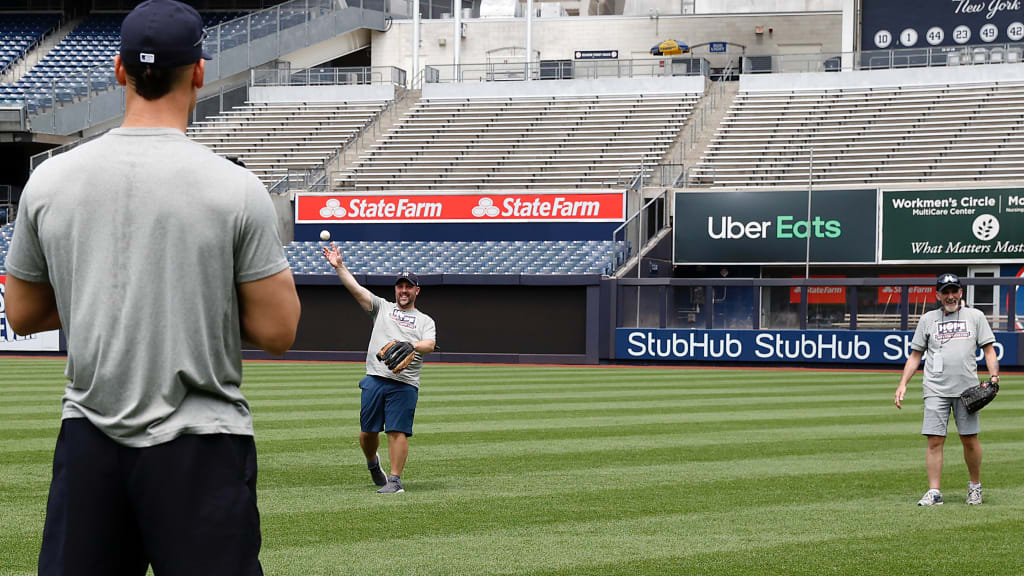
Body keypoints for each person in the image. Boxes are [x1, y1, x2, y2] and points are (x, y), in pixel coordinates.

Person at [3, 0, 301, 573]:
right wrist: (183, 295)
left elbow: (22, 312)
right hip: (202, 445)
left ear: (119, 71)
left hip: (89, 442)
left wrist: (117, 295)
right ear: (198, 72)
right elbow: (279, 330)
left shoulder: (48, 179)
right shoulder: (235, 188)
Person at [322, 243, 436, 494]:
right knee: (367, 433)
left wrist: (411, 345)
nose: (404, 290)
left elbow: (430, 344)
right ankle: (373, 464)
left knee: (397, 431)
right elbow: (356, 290)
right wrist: (339, 266)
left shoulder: (425, 320)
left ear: (417, 290)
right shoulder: (382, 307)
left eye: (408, 286)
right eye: (400, 286)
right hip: (375, 378)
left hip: (404, 383)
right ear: (396, 289)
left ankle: (394, 481)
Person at [894, 273, 998, 507]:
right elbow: (915, 356)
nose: (950, 296)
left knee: (969, 439)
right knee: (934, 441)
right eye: (945, 291)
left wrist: (994, 377)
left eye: (954, 291)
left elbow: (989, 350)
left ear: (961, 293)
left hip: (967, 391)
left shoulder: (975, 316)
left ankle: (975, 487)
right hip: (935, 388)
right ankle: (934, 491)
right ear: (938, 295)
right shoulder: (928, 319)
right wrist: (903, 383)